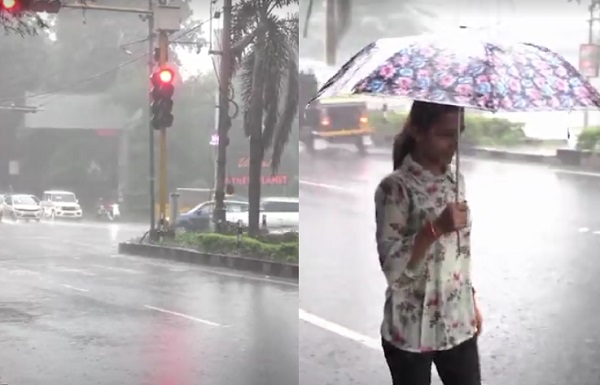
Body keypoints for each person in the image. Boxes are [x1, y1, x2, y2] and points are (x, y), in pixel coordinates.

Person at [374, 100, 483, 385]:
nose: (454, 143)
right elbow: (392, 267)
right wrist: (434, 229)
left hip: (458, 321)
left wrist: (471, 301)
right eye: (445, 134)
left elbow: (459, 253)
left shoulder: (455, 181)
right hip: (410, 329)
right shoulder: (395, 188)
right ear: (418, 131)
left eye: (459, 132)